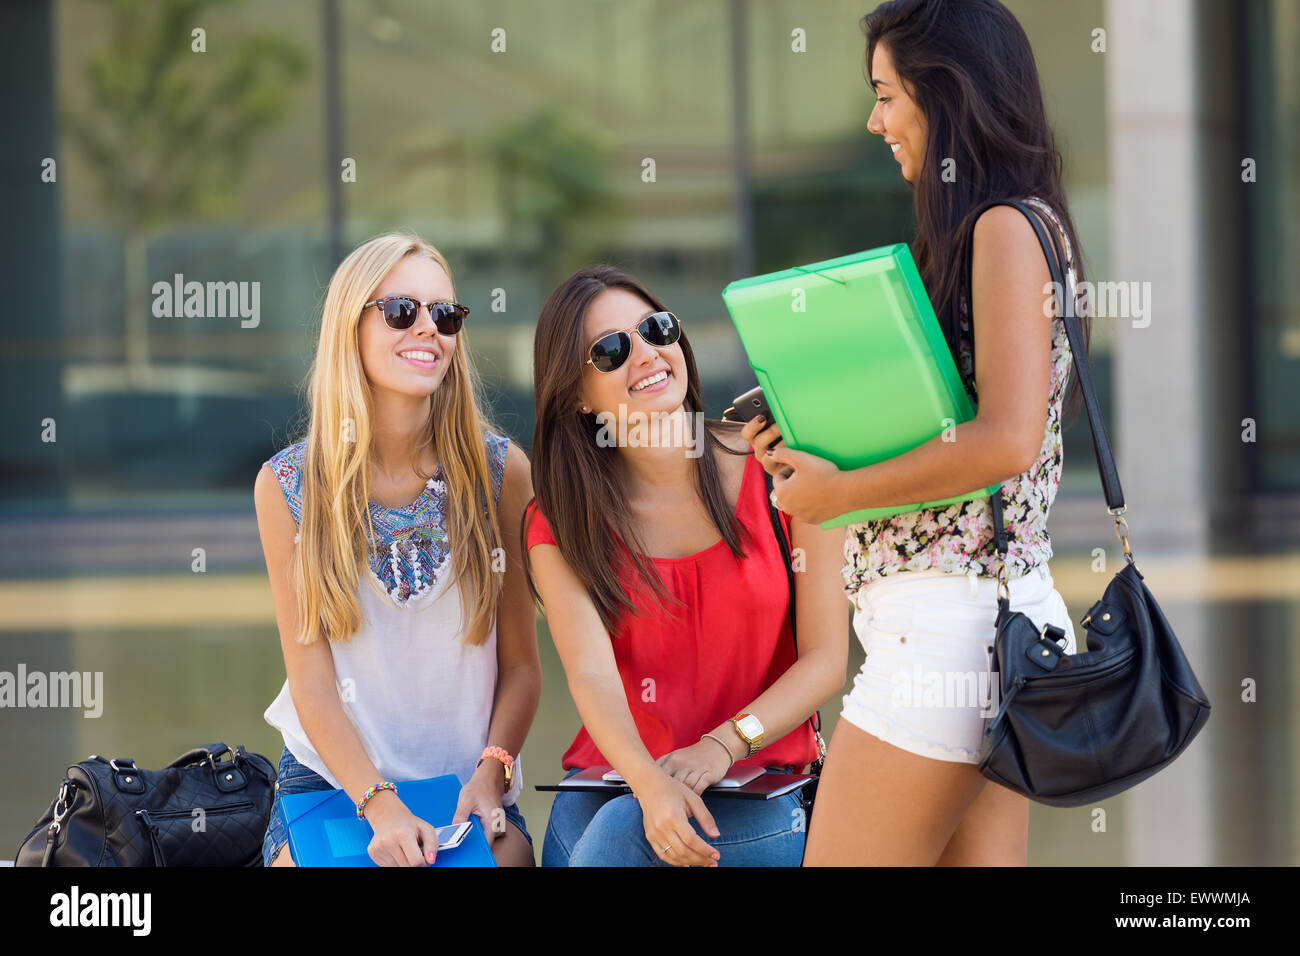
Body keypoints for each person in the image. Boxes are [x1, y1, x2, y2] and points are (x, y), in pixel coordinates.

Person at [742, 0, 1091, 865]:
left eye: (887, 95)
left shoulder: (1006, 227)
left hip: (949, 634)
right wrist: (810, 440)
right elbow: (952, 427)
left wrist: (833, 494)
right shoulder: (1006, 223)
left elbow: (1005, 440)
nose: (875, 121)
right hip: (986, 629)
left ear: (948, 94)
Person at [523, 265, 847, 866]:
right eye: (612, 350)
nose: (646, 354)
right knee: (587, 834)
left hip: (760, 783)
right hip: (616, 775)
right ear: (574, 394)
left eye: (656, 328)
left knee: (620, 837)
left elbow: (826, 661)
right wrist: (649, 783)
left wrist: (724, 744)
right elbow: (592, 676)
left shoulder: (783, 469)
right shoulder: (560, 517)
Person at [255, 231, 541, 867]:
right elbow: (312, 682)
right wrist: (379, 804)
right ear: (350, 328)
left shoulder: (500, 474)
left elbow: (522, 666)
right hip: (334, 784)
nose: (428, 330)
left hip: (470, 785)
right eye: (400, 311)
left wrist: (491, 774)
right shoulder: (288, 485)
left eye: (444, 315)